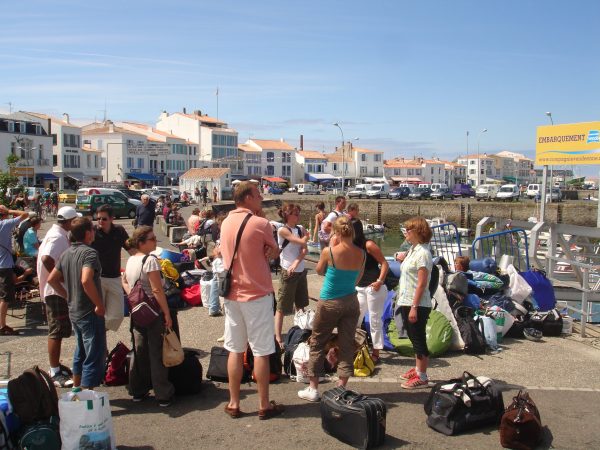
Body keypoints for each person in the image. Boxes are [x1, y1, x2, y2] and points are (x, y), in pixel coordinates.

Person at [219, 181, 284, 420]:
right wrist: (270, 249)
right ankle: (263, 404)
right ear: (247, 197)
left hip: (232, 294)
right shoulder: (261, 223)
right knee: (261, 351)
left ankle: (234, 402)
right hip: (256, 294)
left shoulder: (225, 222)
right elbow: (274, 251)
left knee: (234, 349)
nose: (260, 198)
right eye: (257, 195)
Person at [298, 216, 364, 402]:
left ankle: (313, 388)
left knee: (317, 343)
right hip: (351, 300)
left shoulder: (330, 252)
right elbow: (358, 278)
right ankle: (342, 387)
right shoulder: (361, 253)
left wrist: (332, 245)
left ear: (336, 232)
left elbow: (319, 271)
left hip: (329, 301)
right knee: (346, 344)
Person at [47, 217, 106, 390]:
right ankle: (87, 395)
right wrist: (99, 304)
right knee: (94, 353)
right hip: (89, 311)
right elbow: (86, 280)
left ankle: (77, 389)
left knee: (80, 350)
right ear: (88, 233)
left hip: (74, 310)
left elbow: (52, 279)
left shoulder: (67, 253)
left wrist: (67, 296)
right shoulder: (89, 253)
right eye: (93, 230)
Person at [122, 226, 174, 407]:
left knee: (139, 350)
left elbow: (127, 285)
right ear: (142, 242)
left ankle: (137, 389)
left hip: (137, 310)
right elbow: (157, 289)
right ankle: (162, 392)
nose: (155, 242)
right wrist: (166, 312)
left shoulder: (131, 261)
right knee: (157, 351)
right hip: (152, 310)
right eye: (152, 239)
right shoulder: (150, 260)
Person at [37, 206, 81, 386]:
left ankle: (56, 366)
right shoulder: (57, 236)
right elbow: (46, 258)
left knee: (60, 329)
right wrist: (59, 278)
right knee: (56, 330)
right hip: (54, 291)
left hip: (55, 289)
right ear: (69, 222)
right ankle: (54, 371)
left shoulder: (59, 233)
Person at [396, 216, 433, 389]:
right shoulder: (413, 250)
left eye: (409, 230)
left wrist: (414, 307)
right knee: (412, 336)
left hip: (416, 303)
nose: (406, 233)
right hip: (405, 299)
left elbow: (422, 283)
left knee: (418, 339)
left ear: (418, 232)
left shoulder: (424, 254)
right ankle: (418, 370)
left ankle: (423, 376)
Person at [352, 220, 389, 364]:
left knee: (375, 320)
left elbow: (384, 263)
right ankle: (355, 347)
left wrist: (380, 281)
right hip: (360, 288)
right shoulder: (350, 246)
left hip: (374, 288)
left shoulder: (369, 245)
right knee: (355, 318)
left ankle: (376, 353)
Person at [91, 204, 131, 332]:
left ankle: (102, 331)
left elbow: (131, 249)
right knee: (98, 315)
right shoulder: (93, 232)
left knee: (117, 315)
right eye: (98, 219)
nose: (100, 222)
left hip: (114, 277)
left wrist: (143, 259)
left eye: (104, 219)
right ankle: (101, 343)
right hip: (98, 279)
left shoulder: (119, 231)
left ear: (112, 218)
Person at [275, 203, 309, 348]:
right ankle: (278, 337)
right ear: (287, 215)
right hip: (287, 272)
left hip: (300, 270)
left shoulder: (300, 228)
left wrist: (296, 263)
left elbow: (304, 250)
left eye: (298, 212)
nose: (298, 215)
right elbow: (301, 242)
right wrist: (307, 237)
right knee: (282, 306)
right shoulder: (283, 230)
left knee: (301, 304)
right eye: (295, 213)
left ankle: (301, 333)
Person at [0, 205, 29, 335]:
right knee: (5, 298)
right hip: (4, 265)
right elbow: (25, 214)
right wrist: (9, 210)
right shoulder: (5, 224)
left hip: (4, 263)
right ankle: (2, 325)